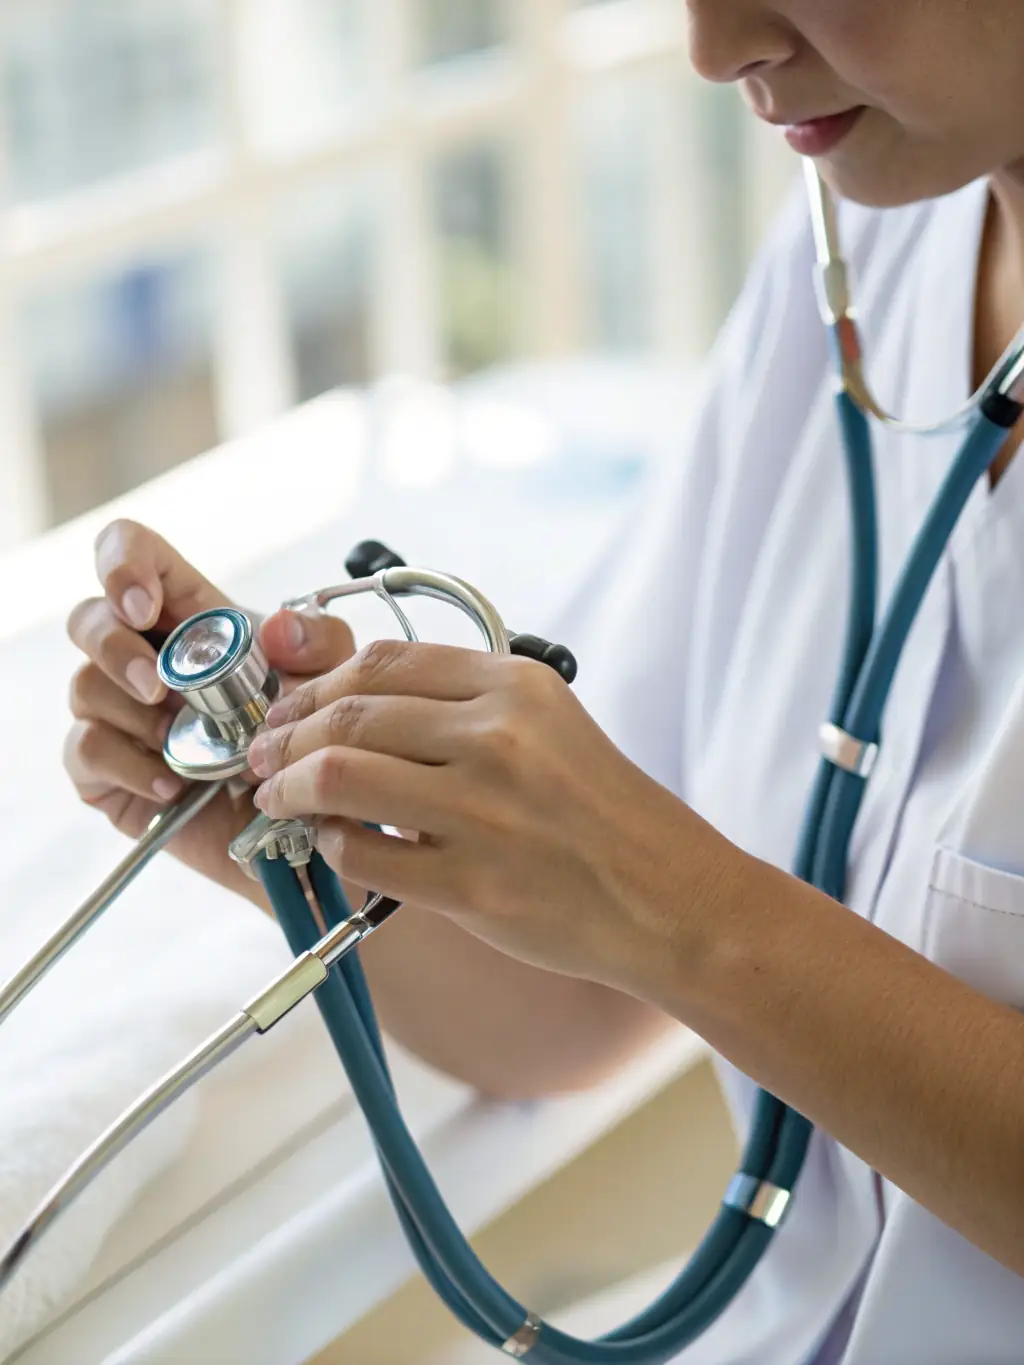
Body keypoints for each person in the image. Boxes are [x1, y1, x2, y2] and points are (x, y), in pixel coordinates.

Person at [63, 2, 1024, 1361]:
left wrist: (682, 910)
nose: (711, 46)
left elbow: (662, 915)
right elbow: (572, 1009)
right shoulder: (869, 249)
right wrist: (295, 819)